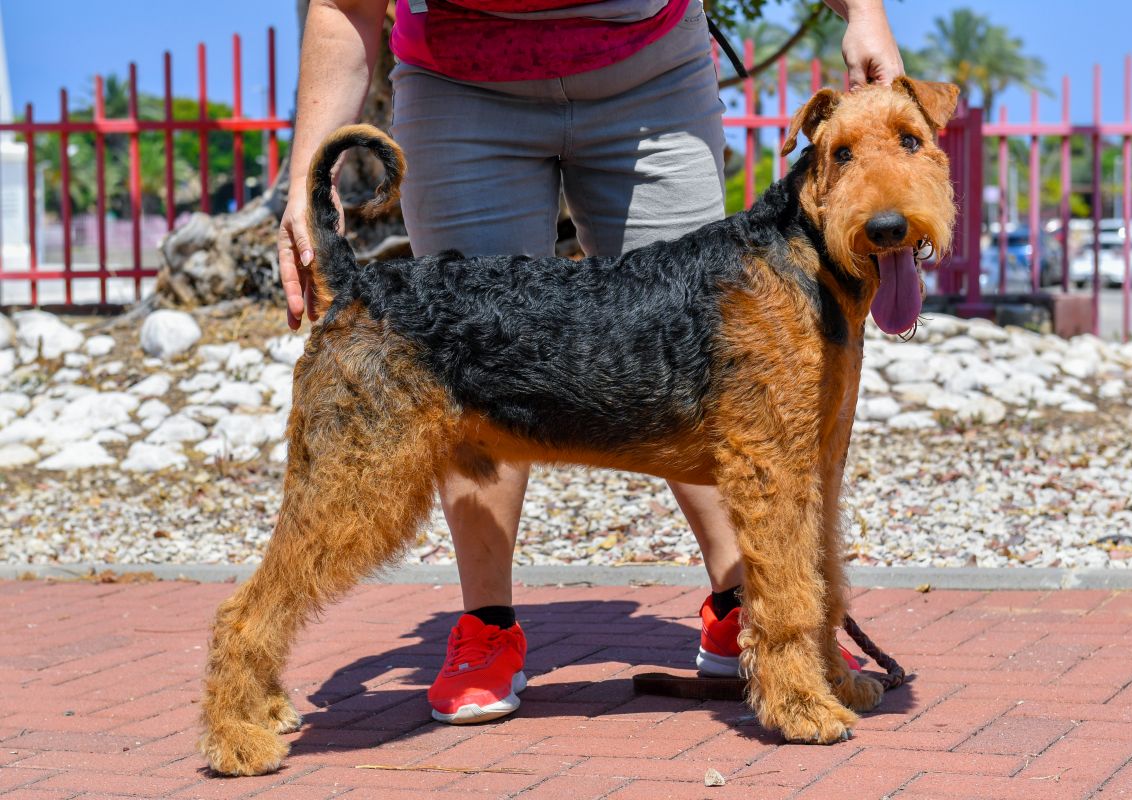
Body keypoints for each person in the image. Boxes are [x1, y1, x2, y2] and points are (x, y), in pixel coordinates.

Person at [278, 0, 904, 724]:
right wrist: (306, 178)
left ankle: (767, 627)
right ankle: (474, 629)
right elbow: (341, 6)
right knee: (403, 452)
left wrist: (863, 12)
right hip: (462, 83)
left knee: (750, 428)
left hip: (650, 70)